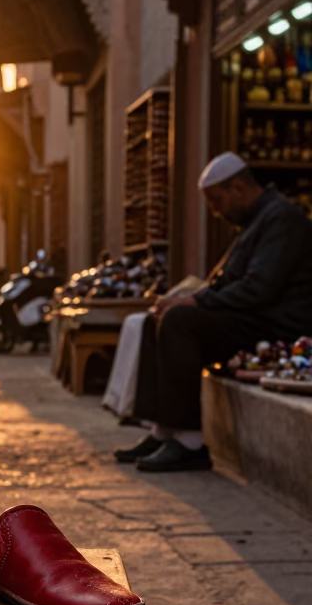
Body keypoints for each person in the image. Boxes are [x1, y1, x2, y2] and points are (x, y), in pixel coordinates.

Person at [115, 152, 312, 473]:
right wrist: (186, 298)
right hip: (251, 317)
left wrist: (194, 303)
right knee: (158, 319)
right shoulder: (256, 221)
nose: (215, 211)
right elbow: (226, 284)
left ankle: (191, 440)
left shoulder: (280, 218)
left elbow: (258, 289)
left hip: (275, 326)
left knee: (180, 321)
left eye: (217, 201)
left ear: (238, 187)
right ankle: (163, 430)